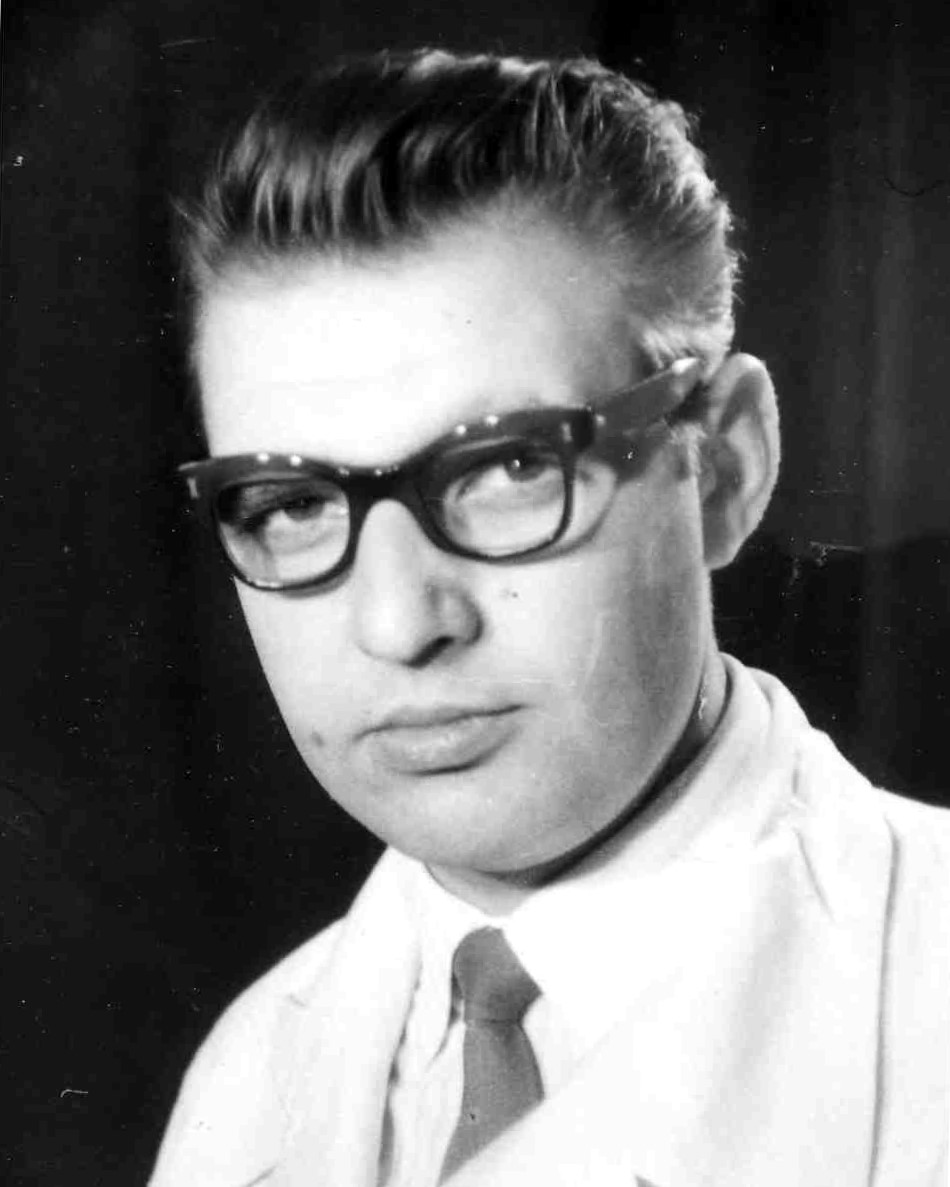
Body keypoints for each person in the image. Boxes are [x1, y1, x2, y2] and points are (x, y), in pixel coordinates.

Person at [149, 49, 950, 1187]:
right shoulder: (242, 1079)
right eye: (291, 503)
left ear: (722, 468)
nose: (399, 623)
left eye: (510, 466)